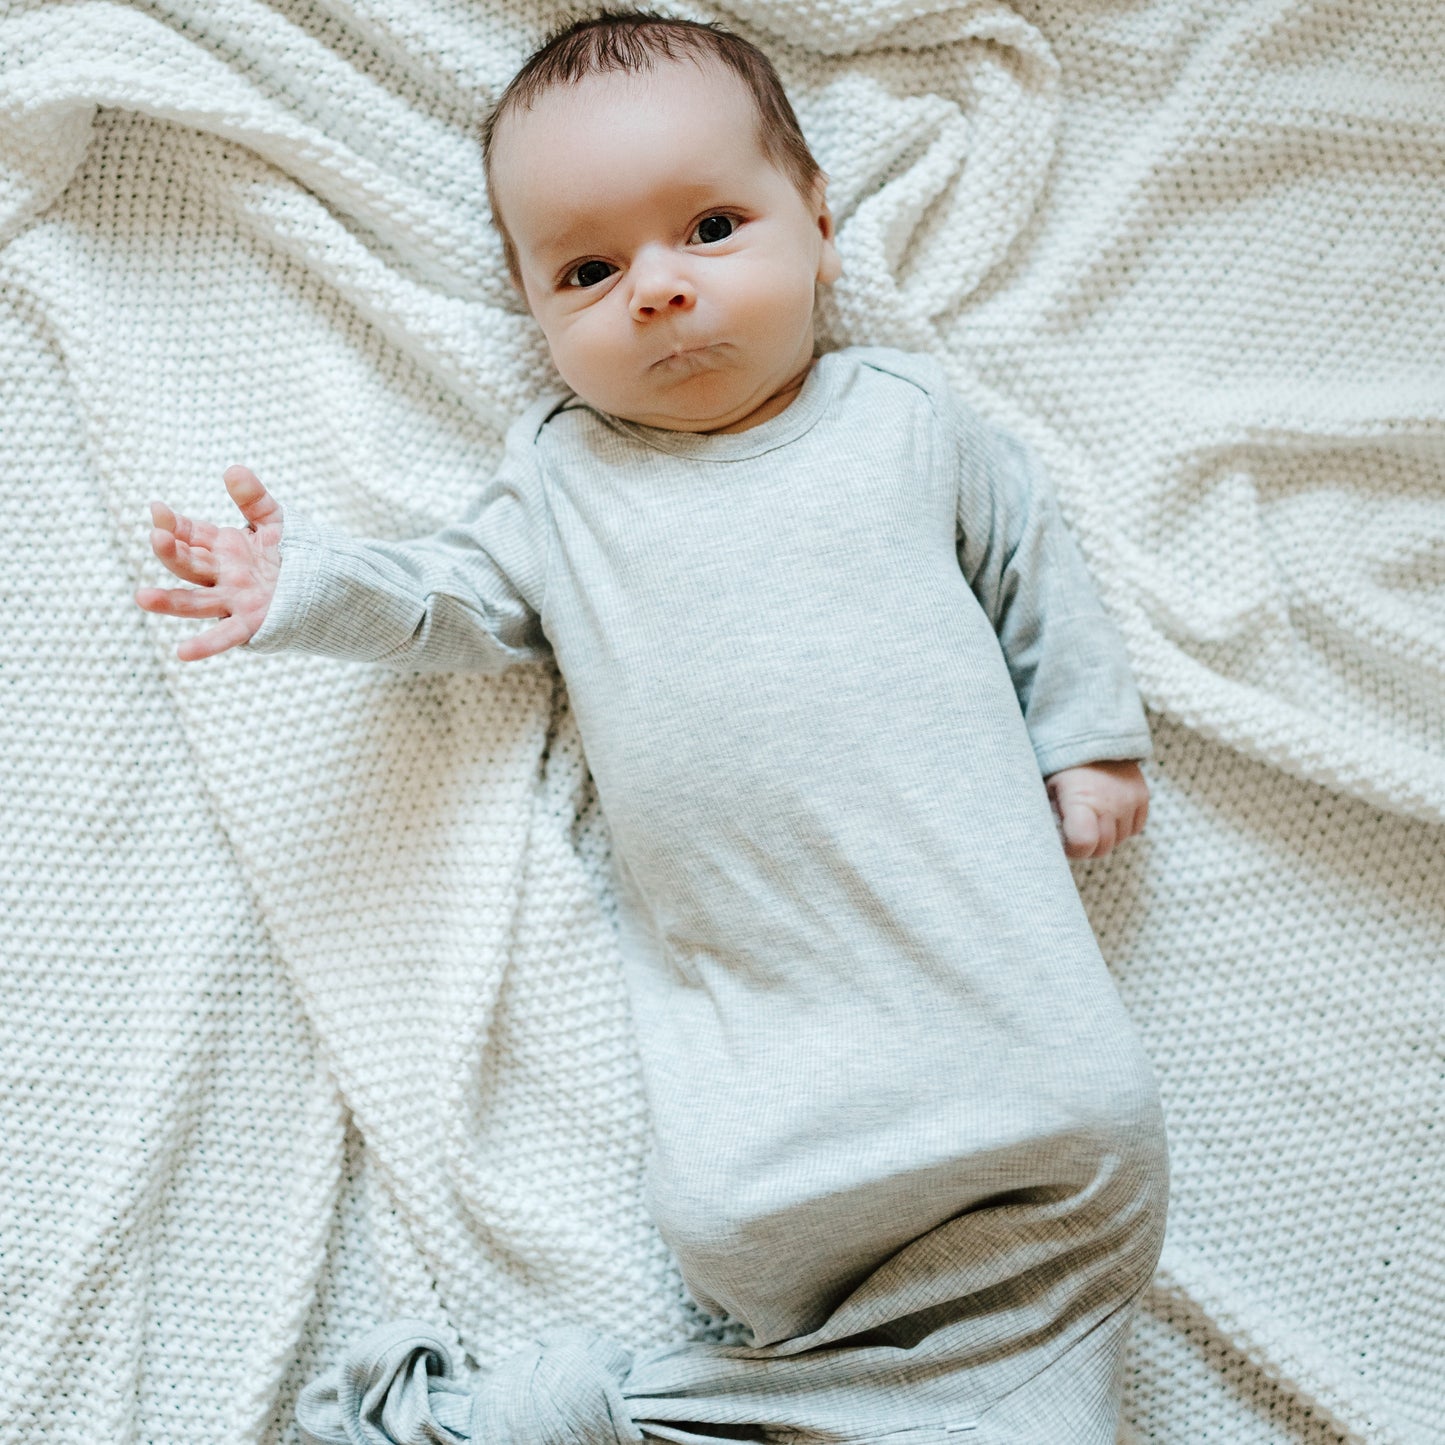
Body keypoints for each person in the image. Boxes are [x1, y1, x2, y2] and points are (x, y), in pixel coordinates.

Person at [136, 12, 1168, 1442]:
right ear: (529, 302)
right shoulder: (563, 481)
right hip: (768, 1097)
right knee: (882, 1325)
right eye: (589, 268)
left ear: (816, 217)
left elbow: (1028, 560)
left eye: (709, 226)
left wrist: (1085, 735)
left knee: (1044, 1253)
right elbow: (450, 600)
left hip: (1003, 1036)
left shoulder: (904, 417)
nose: (660, 291)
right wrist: (302, 583)